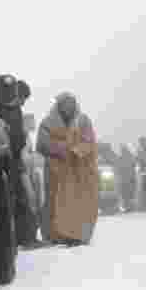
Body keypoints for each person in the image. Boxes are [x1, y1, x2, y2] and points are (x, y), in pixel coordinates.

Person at [36, 93, 99, 246]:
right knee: (53, 203)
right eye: (65, 104)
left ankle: (78, 234)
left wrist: (76, 151)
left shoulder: (83, 121)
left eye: (71, 104)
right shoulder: (48, 123)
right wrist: (62, 149)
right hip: (55, 171)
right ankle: (54, 235)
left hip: (79, 171)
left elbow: (89, 141)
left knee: (79, 203)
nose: (68, 107)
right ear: (59, 105)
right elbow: (42, 144)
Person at [117, 144, 138, 212]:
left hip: (126, 179)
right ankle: (128, 206)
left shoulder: (121, 157)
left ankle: (128, 206)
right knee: (128, 194)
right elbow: (134, 165)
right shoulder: (130, 156)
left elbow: (118, 168)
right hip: (128, 178)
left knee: (127, 194)